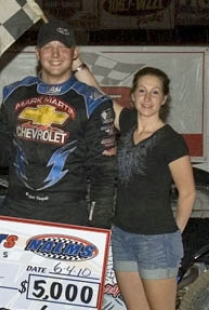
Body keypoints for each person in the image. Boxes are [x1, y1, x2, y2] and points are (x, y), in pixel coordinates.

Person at [0, 19, 117, 228]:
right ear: (38, 53)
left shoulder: (93, 102)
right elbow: (0, 154)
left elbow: (104, 173)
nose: (55, 54)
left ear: (74, 53)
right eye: (48, 47)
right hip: (16, 208)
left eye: (62, 47)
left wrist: (98, 227)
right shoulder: (15, 93)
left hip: (66, 213)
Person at [75, 63, 196, 309]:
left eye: (154, 92)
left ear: (164, 99)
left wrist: (174, 235)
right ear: (132, 95)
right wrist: (78, 64)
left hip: (157, 240)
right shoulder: (128, 123)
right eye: (142, 91)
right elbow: (97, 94)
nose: (147, 98)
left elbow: (188, 192)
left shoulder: (171, 141)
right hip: (122, 237)